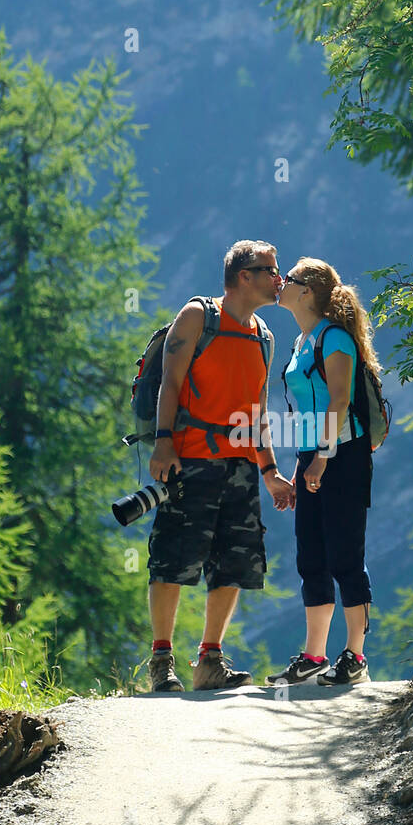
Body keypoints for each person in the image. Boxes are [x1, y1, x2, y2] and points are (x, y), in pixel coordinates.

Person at [146, 240, 297, 692]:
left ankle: (209, 661)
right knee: (173, 557)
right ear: (242, 276)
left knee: (235, 563)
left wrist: (269, 471)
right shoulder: (198, 317)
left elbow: (257, 409)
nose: (278, 277)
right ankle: (161, 662)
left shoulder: (264, 335)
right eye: (269, 270)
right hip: (189, 458)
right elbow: (169, 384)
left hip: (239, 467)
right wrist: (163, 443)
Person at [267, 257, 379, 686]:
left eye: (289, 279)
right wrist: (305, 464)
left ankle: (355, 655)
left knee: (345, 557)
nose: (281, 283)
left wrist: (322, 458)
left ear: (308, 291)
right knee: (311, 557)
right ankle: (314, 657)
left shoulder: (335, 340)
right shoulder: (302, 340)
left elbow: (337, 401)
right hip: (313, 455)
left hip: (344, 456)